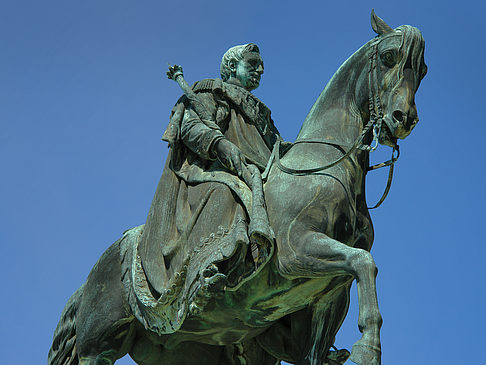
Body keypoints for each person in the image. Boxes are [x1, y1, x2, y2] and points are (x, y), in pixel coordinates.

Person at [135, 43, 282, 332]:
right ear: (231, 67)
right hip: (208, 170)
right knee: (227, 193)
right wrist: (219, 145)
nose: (260, 70)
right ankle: (206, 271)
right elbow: (189, 127)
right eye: (252, 64)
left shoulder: (263, 115)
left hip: (256, 174)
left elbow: (275, 149)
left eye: (261, 65)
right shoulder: (210, 92)